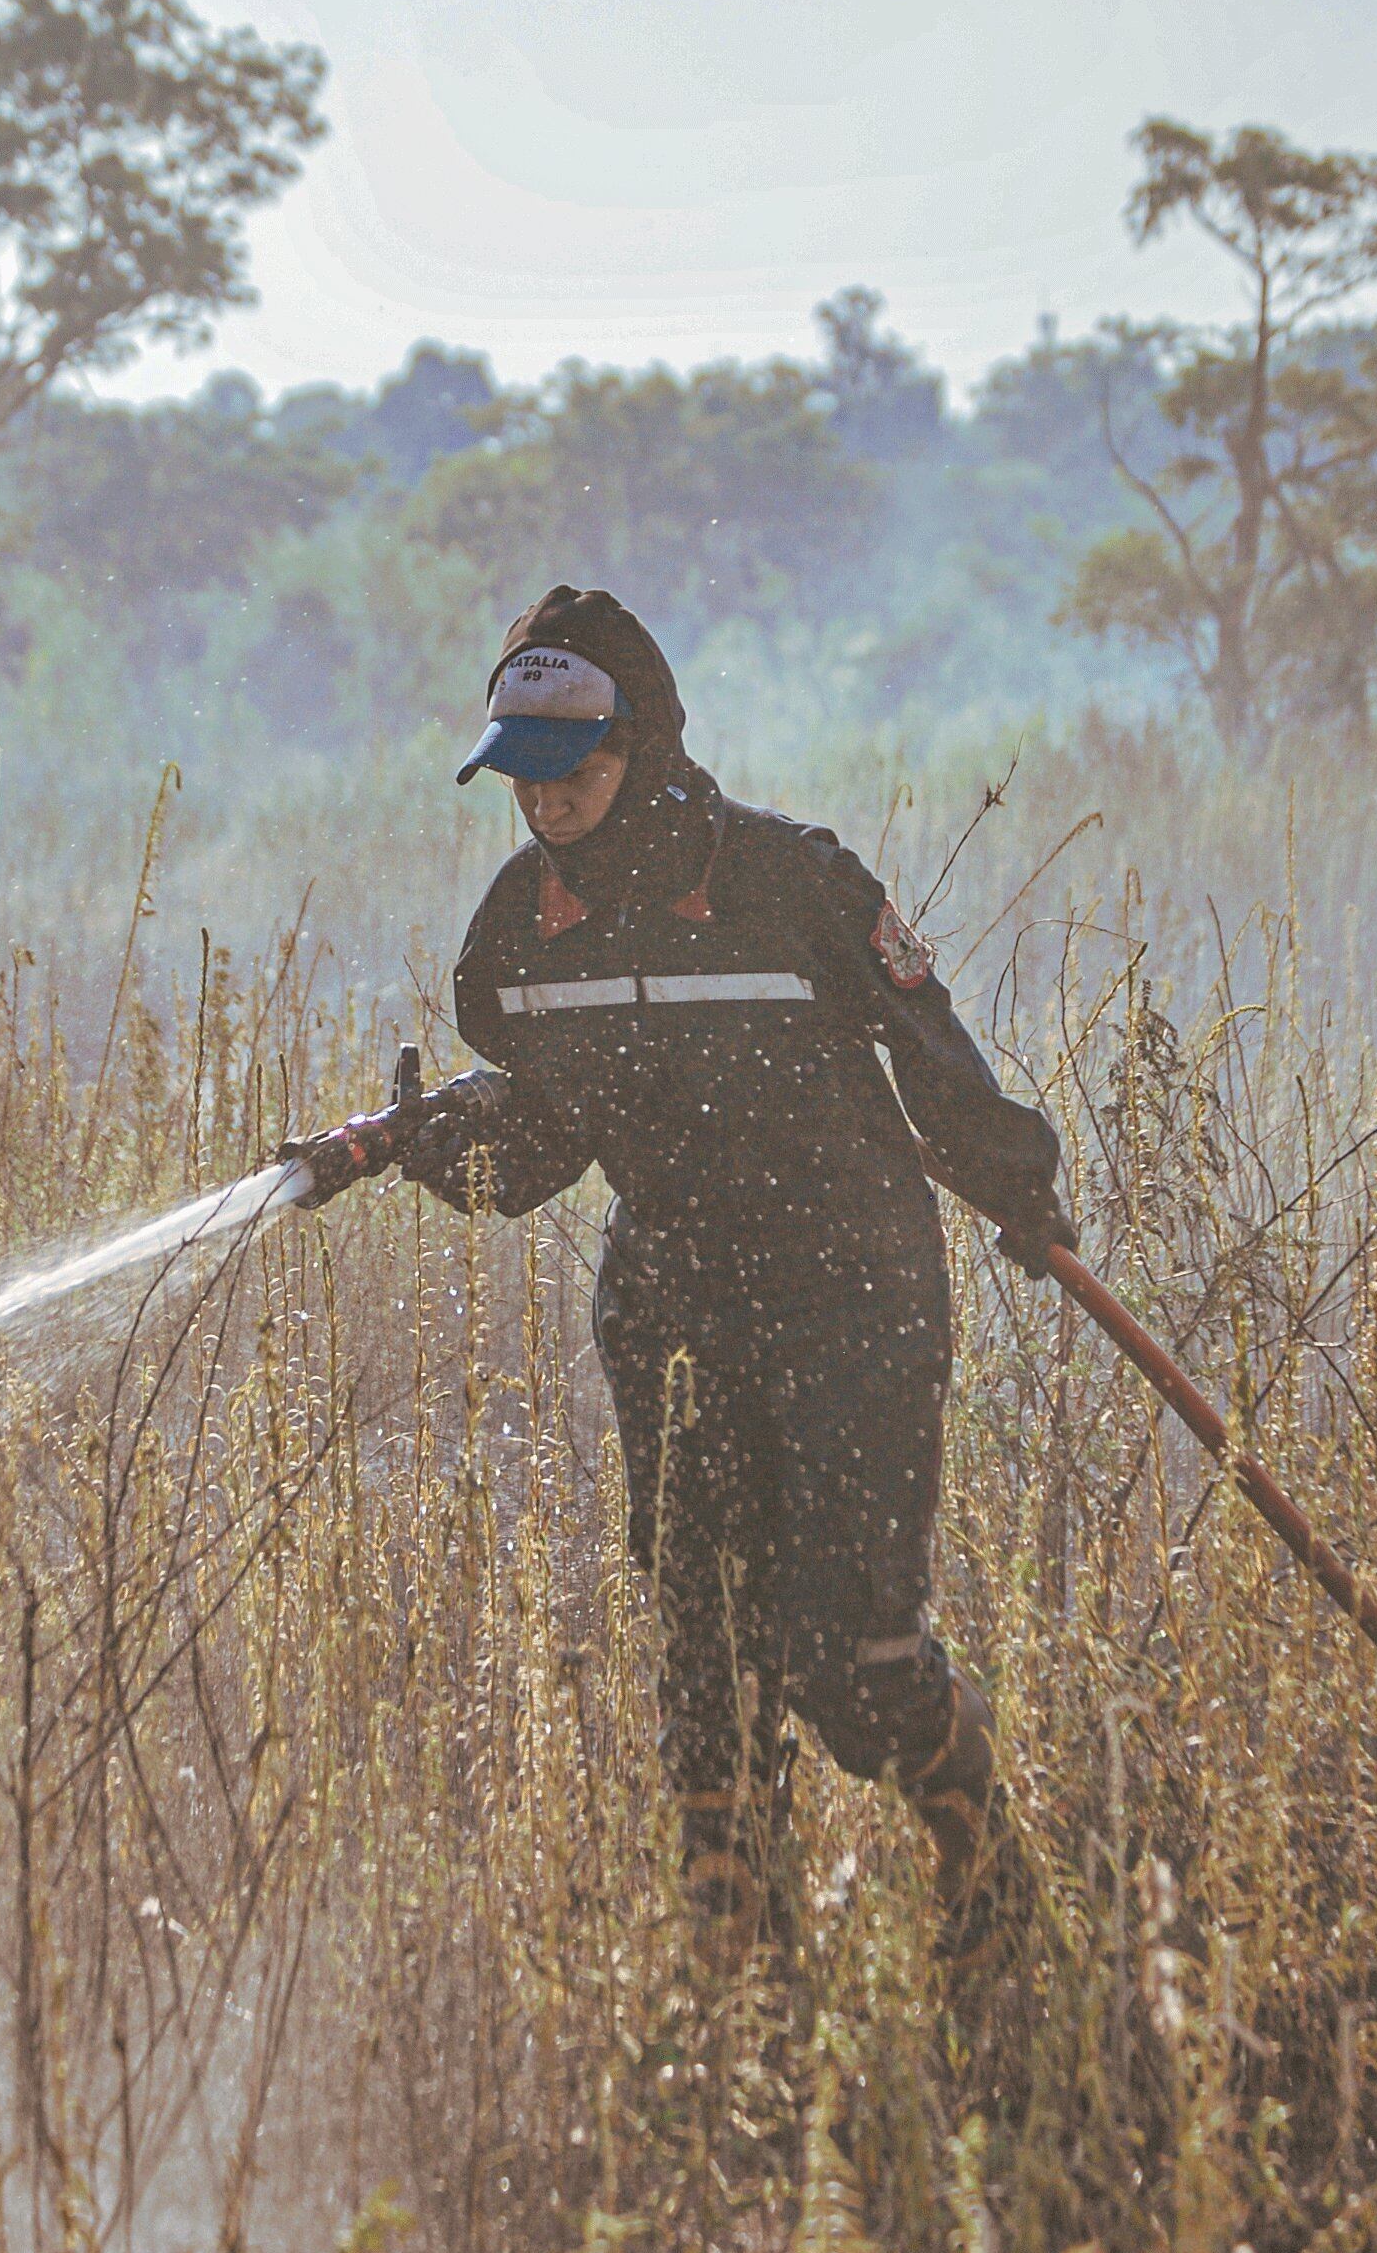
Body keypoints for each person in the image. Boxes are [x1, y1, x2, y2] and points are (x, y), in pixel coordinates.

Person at [396, 586, 1074, 1946]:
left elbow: (930, 1049)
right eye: (520, 777)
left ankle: (991, 1870)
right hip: (672, 1303)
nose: (547, 802)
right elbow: (538, 1149)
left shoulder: (792, 881)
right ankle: (744, 1970)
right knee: (704, 1636)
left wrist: (1016, 1184)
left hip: (852, 1299)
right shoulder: (514, 939)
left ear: (641, 744)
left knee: (848, 1660)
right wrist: (436, 1145)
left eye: (571, 767)